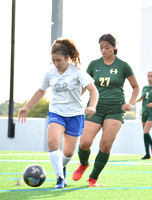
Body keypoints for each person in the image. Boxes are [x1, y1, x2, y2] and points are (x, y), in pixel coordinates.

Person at [18, 39, 99, 189]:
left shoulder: (77, 72)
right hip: (57, 112)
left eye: (59, 60)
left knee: (68, 153)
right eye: (53, 60)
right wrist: (27, 107)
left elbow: (93, 90)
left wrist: (92, 106)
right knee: (52, 143)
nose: (56, 63)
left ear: (67, 57)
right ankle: (60, 178)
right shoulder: (50, 74)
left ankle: (61, 168)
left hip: (75, 115)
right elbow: (41, 91)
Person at [72, 34, 139, 187]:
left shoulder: (123, 65)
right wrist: (74, 101)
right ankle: (83, 164)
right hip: (95, 108)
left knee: (106, 144)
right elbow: (83, 86)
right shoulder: (94, 64)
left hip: (115, 109)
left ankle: (93, 178)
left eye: (107, 48)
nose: (103, 50)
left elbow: (135, 87)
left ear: (114, 47)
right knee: (84, 143)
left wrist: (131, 103)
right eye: (101, 47)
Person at [136, 71, 152, 159]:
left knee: (146, 131)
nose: (150, 77)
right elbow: (142, 97)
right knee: (145, 134)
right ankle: (147, 154)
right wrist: (133, 102)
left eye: (151, 76)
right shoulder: (145, 87)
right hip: (144, 112)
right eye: (148, 76)